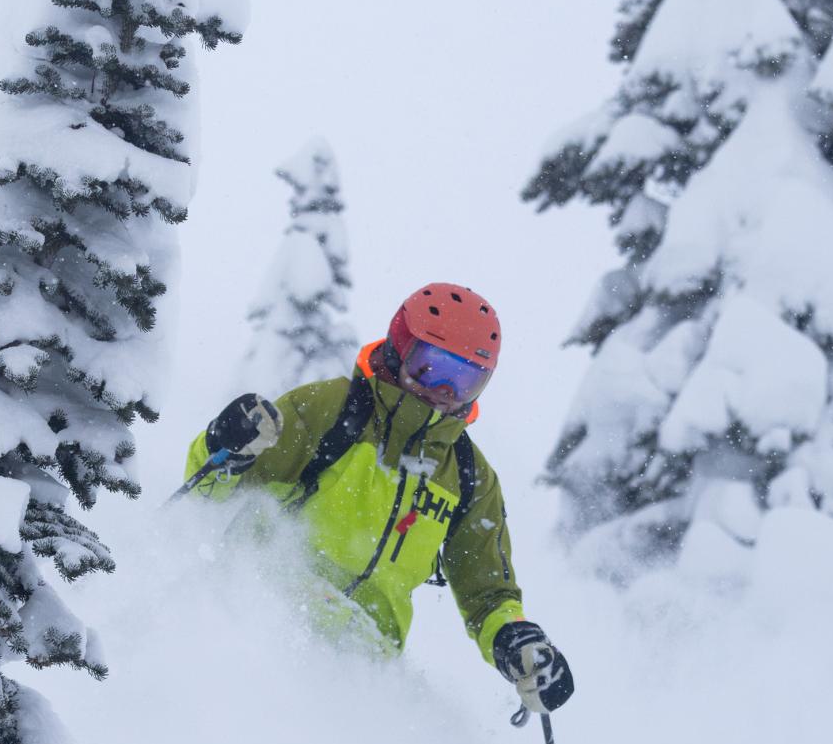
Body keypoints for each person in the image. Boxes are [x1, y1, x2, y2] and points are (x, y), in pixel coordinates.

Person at [181, 282, 575, 719]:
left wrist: (515, 639)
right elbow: (207, 495)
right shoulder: (331, 412)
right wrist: (224, 446)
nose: (445, 390)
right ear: (400, 349)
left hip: (356, 673)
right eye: (432, 367)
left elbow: (489, 594)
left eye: (466, 380)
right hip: (252, 623)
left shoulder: (468, 476)